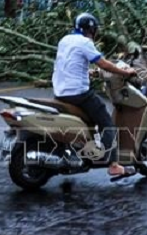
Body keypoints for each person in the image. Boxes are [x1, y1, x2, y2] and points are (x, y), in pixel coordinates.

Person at [52, 12, 137, 178]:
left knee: (90, 119)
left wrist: (88, 72)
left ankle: (82, 149)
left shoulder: (65, 40)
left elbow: (70, 63)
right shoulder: (85, 42)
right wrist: (125, 72)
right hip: (77, 93)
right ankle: (113, 165)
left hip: (60, 91)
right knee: (107, 122)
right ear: (92, 30)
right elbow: (103, 63)